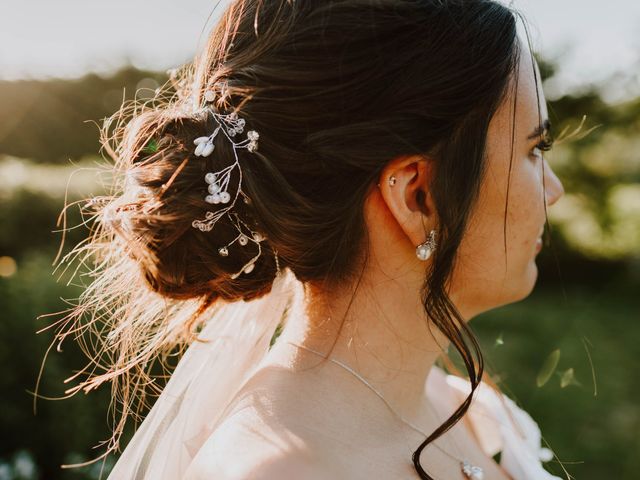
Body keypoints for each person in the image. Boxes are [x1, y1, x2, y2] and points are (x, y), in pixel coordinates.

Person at [50, 1, 569, 479]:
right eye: (533, 149)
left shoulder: (459, 405)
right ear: (417, 197)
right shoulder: (281, 470)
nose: (554, 190)